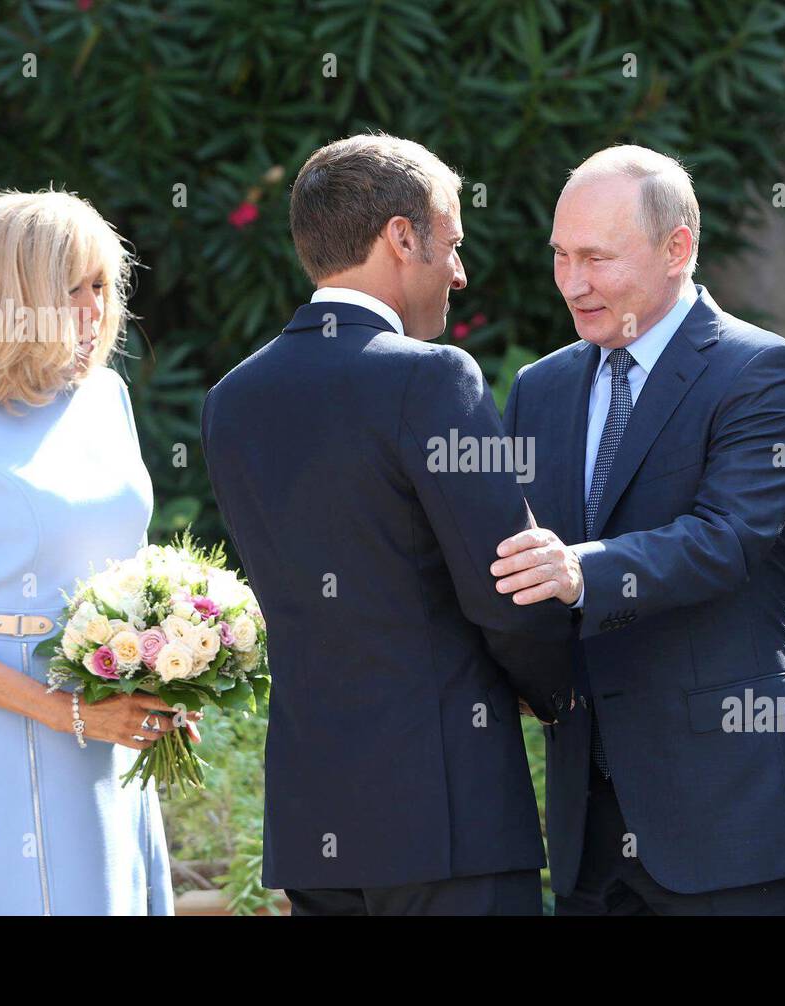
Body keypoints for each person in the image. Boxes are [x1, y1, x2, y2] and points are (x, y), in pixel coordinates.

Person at [201, 134, 575, 916]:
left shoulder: (232, 399)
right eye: (454, 243)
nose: (461, 271)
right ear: (402, 238)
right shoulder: (433, 378)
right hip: (448, 813)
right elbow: (508, 586)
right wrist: (559, 693)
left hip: (315, 816)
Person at [492, 145, 785, 915]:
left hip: (731, 809)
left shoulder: (764, 373)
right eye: (560, 256)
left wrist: (580, 570)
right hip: (589, 821)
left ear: (677, 248)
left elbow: (727, 541)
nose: (573, 283)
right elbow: (515, 559)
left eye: (596, 257)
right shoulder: (539, 388)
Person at [0, 189, 196, 915]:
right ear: (11, 296)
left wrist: (175, 676)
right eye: (74, 289)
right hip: (9, 729)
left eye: (104, 286)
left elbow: (133, 568)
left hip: (118, 718)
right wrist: (73, 715)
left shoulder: (107, 397)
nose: (98, 309)